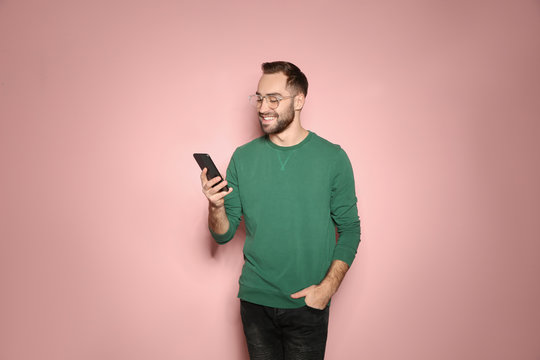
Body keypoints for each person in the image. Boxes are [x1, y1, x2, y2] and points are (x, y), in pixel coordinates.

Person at [199, 61, 360, 360]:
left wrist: (327, 288)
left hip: (307, 305)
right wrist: (216, 206)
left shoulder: (332, 158)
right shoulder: (243, 158)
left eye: (274, 98)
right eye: (259, 98)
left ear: (299, 101)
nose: (263, 107)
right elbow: (223, 235)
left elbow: (350, 229)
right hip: (255, 303)